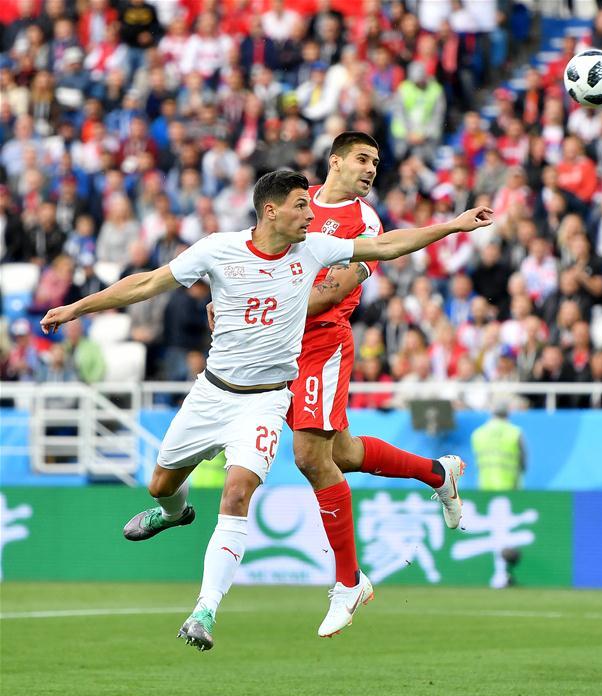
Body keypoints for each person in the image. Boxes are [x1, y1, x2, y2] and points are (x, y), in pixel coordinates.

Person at [40, 170, 493, 652]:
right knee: (164, 485)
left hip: (267, 399)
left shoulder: (315, 247)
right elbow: (147, 283)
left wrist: (453, 225)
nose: (311, 214)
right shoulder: (219, 249)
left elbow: (386, 247)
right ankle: (173, 514)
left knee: (242, 492)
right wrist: (75, 309)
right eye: (302, 206)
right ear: (271, 211)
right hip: (212, 393)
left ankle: (205, 610)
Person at [208, 132, 467, 638]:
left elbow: (335, 291)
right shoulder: (297, 206)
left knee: (310, 458)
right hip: (279, 350)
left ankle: (349, 581)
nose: (371, 169)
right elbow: (256, 261)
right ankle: (437, 473)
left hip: (321, 347)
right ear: (336, 162)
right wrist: (229, 299)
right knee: (342, 453)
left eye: (377, 162)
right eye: (363, 159)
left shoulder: (364, 221)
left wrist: (255, 314)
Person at [471, 400, 526, 491]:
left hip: (484, 486)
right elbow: (523, 462)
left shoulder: (477, 434)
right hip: (511, 487)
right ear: (508, 413)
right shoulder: (515, 432)